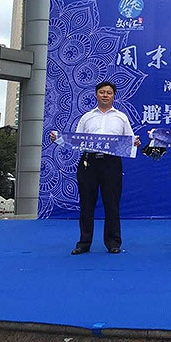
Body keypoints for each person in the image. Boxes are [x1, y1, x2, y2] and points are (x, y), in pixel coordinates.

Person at [50, 81, 140, 255]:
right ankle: (84, 243)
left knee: (112, 203)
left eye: (109, 92)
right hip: (88, 162)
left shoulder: (121, 117)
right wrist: (59, 139)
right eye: (102, 92)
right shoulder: (87, 117)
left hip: (111, 163)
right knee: (86, 203)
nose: (105, 95)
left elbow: (129, 140)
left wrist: (135, 142)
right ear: (96, 94)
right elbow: (76, 140)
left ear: (114, 96)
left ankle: (113, 242)